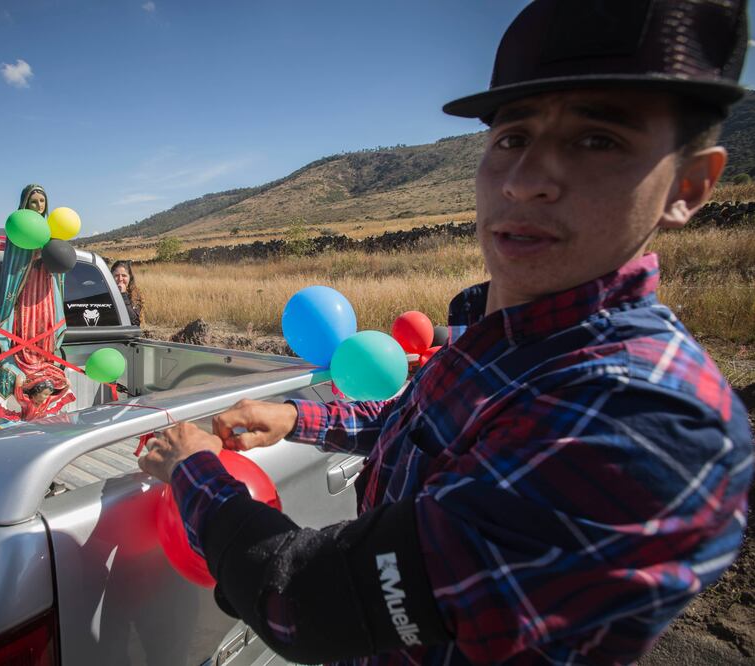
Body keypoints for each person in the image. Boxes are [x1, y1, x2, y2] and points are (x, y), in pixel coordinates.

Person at [138, 1, 754, 664]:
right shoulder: (510, 335)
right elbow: (418, 423)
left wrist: (192, 468)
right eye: (511, 138)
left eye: (596, 140)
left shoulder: (643, 418)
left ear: (687, 187)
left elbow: (306, 603)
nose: (522, 182)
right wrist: (294, 418)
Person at [0, 184, 74, 427]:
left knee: (45, 333)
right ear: (25, 204)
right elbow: (13, 272)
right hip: (25, 296)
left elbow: (60, 266)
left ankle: (42, 401)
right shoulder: (20, 231)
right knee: (25, 332)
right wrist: (32, 257)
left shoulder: (53, 232)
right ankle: (21, 383)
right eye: (33, 202)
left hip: (46, 295)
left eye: (42, 202)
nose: (38, 206)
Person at [111, 259, 144, 326]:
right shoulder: (106, 294)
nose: (120, 279)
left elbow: (134, 322)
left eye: (124, 275)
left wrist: (123, 295)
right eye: (116, 276)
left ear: (129, 277)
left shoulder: (135, 294)